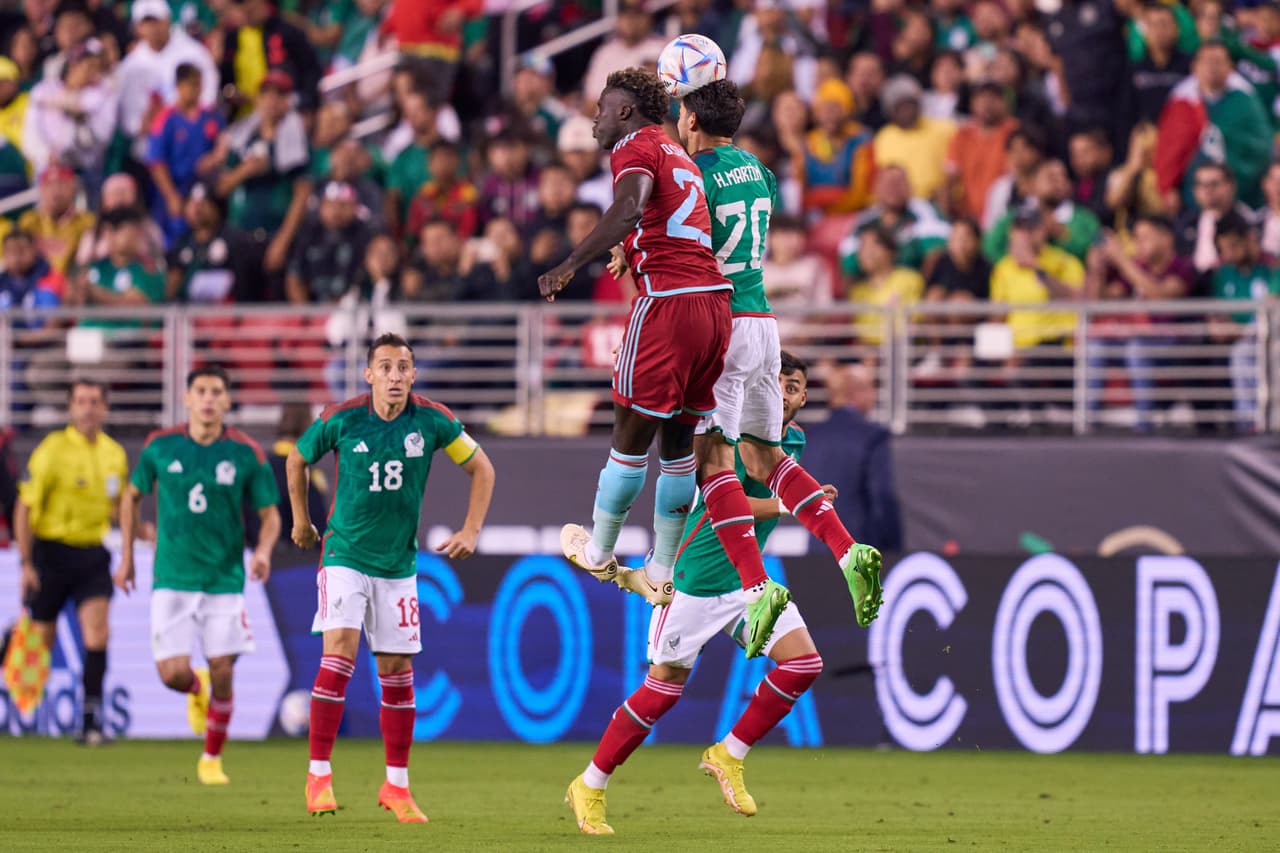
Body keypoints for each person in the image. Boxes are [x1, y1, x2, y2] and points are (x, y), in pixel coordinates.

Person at [602, 79, 883, 640]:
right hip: (763, 323)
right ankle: (847, 549)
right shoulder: (760, 171)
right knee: (766, 459)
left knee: (712, 464)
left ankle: (757, 588)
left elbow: (676, 240)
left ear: (690, 120)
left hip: (718, 323)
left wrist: (626, 253)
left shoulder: (691, 174)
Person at [536, 68, 789, 657]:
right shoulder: (681, 155)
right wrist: (634, 248)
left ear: (627, 112)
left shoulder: (636, 146)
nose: (595, 120)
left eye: (603, 108)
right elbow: (676, 225)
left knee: (629, 436)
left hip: (669, 304)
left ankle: (599, 552)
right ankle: (662, 570)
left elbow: (629, 209)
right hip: (717, 310)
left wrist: (570, 263)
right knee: (680, 445)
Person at [565, 354, 834, 833]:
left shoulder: (791, 440)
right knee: (661, 693)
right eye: (777, 383)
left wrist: (793, 501)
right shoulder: (727, 434)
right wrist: (789, 504)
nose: (783, 394)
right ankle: (589, 785)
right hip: (695, 581)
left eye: (793, 386)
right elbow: (720, 499)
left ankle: (728, 754)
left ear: (803, 397)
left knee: (803, 663)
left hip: (746, 583)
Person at [287, 332, 496, 822]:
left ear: (414, 374)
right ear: (369, 375)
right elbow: (296, 459)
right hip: (343, 555)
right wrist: (300, 521)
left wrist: (471, 529)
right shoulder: (342, 418)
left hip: (398, 565)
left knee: (398, 674)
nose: (395, 376)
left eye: (403, 367)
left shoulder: (433, 420)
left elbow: (483, 469)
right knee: (339, 653)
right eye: (385, 367)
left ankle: (396, 786)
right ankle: (319, 776)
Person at [114, 366, 281, 784]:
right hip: (172, 576)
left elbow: (270, 516)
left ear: (227, 400)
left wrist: (262, 552)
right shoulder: (160, 446)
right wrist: (127, 556)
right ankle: (194, 688)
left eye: (216, 391)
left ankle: (211, 758)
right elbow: (131, 498)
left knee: (223, 666)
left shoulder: (246, 453)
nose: (208, 399)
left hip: (224, 579)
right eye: (201, 391)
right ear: (187, 398)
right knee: (172, 674)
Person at [13, 379, 128, 745]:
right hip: (51, 552)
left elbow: (117, 507)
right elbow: (25, 507)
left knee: (98, 634)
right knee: (40, 643)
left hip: (92, 554)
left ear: (105, 408)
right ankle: (11, 655)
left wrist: (138, 532)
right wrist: (26, 562)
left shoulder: (114, 454)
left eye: (94, 401)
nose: (88, 408)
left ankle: (91, 722)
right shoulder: (52, 449)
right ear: (71, 407)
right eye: (81, 401)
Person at [802, 364, 903, 554]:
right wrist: (893, 549)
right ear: (856, 392)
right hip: (859, 550)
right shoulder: (872, 436)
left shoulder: (811, 437)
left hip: (817, 549)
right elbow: (882, 496)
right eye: (871, 388)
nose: (874, 396)